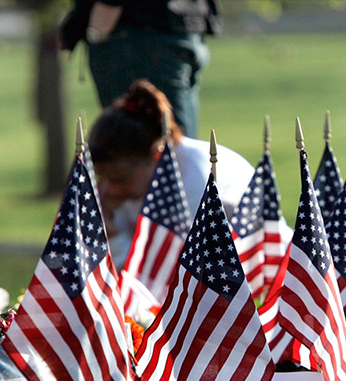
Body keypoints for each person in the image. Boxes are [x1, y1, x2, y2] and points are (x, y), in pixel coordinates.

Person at [88, 79, 254, 264]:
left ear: (157, 155)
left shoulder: (194, 182)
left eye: (120, 179)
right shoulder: (130, 184)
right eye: (102, 178)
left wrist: (114, 237)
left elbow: (165, 278)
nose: (109, 190)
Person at [62, 0, 219, 138]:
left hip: (138, 33)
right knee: (178, 152)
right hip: (174, 24)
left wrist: (108, 5)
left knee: (154, 154)